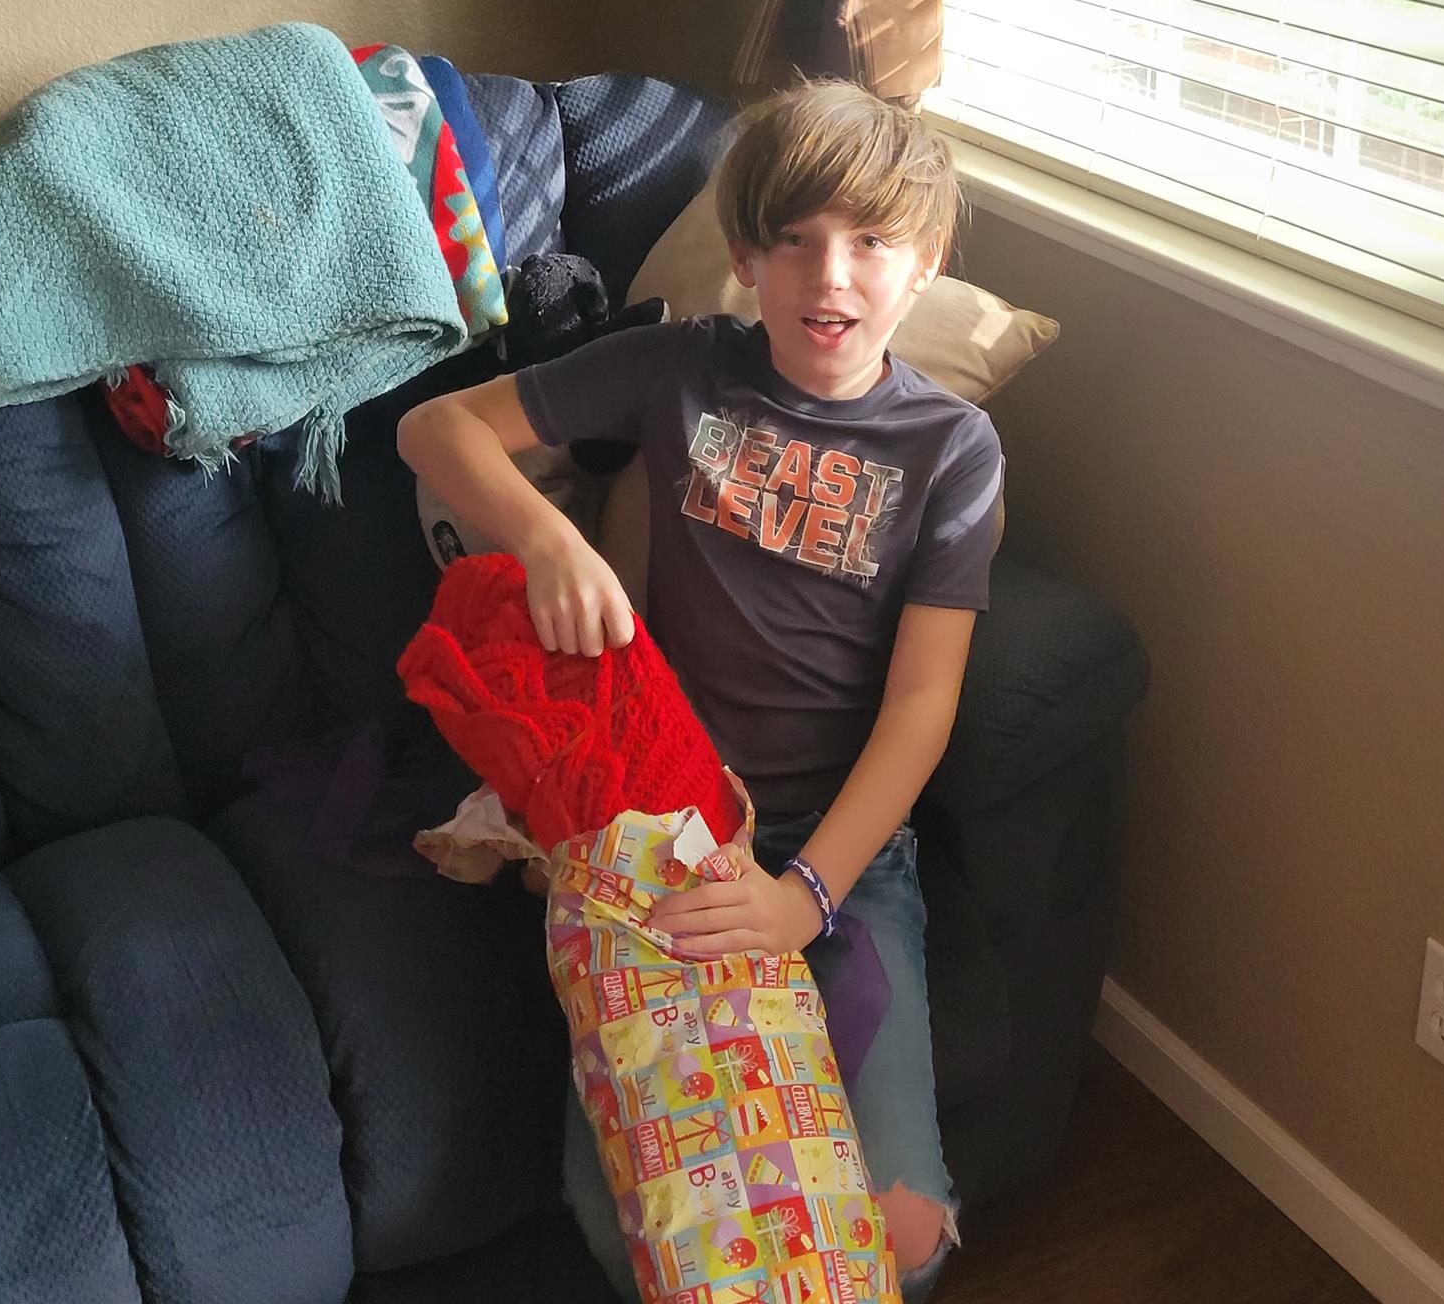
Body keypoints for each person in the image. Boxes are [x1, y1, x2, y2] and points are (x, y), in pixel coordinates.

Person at [396, 77, 1004, 1302]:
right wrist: (551, 542)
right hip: (666, 832)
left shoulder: (952, 452)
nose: (830, 276)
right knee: (634, 1226)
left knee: (905, 1239)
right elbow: (435, 430)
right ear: (746, 259)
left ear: (925, 263)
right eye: (796, 241)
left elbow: (922, 707)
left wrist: (805, 897)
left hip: (839, 856)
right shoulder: (680, 369)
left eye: (869, 242)